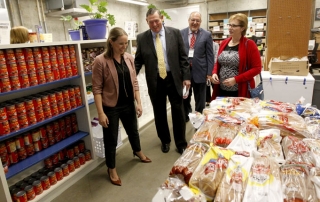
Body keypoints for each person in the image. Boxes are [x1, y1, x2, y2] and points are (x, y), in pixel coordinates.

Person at [92, 27, 151, 187]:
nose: (124, 46)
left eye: (126, 43)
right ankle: (111, 168)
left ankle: (137, 151)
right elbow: (96, 89)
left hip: (128, 104)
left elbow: (135, 82)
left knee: (133, 130)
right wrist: (101, 112)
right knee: (110, 139)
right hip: (110, 107)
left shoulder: (129, 58)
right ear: (111, 42)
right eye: (120, 44)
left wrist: (138, 102)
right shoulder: (100, 61)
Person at [134, 8, 191, 154]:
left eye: (156, 21)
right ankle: (165, 141)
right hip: (155, 80)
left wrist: (186, 77)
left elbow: (183, 58)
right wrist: (130, 75)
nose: (154, 24)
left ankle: (181, 143)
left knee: (178, 111)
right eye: (151, 22)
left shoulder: (175, 33)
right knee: (159, 113)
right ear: (147, 22)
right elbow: (138, 61)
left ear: (162, 19)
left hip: (174, 78)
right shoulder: (142, 38)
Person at [210, 13, 261, 99]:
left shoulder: (249, 44)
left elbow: (257, 68)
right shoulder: (224, 43)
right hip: (222, 89)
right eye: (229, 25)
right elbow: (218, 62)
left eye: (234, 26)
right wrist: (214, 73)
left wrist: (236, 79)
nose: (230, 28)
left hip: (240, 90)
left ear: (242, 28)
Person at [180, 11, 214, 121]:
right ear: (189, 20)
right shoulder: (181, 33)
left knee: (200, 100)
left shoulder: (206, 34)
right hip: (185, 74)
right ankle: (187, 117)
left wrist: (209, 73)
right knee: (185, 98)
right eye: (193, 20)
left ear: (200, 22)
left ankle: (199, 121)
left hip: (201, 72)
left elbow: (210, 55)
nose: (195, 22)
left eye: (197, 20)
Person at [206, 41, 219, 106]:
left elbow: (217, 55)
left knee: (214, 83)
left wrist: (213, 66)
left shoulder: (215, 44)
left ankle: (216, 99)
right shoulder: (204, 43)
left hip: (213, 66)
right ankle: (208, 100)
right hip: (205, 66)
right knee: (207, 84)